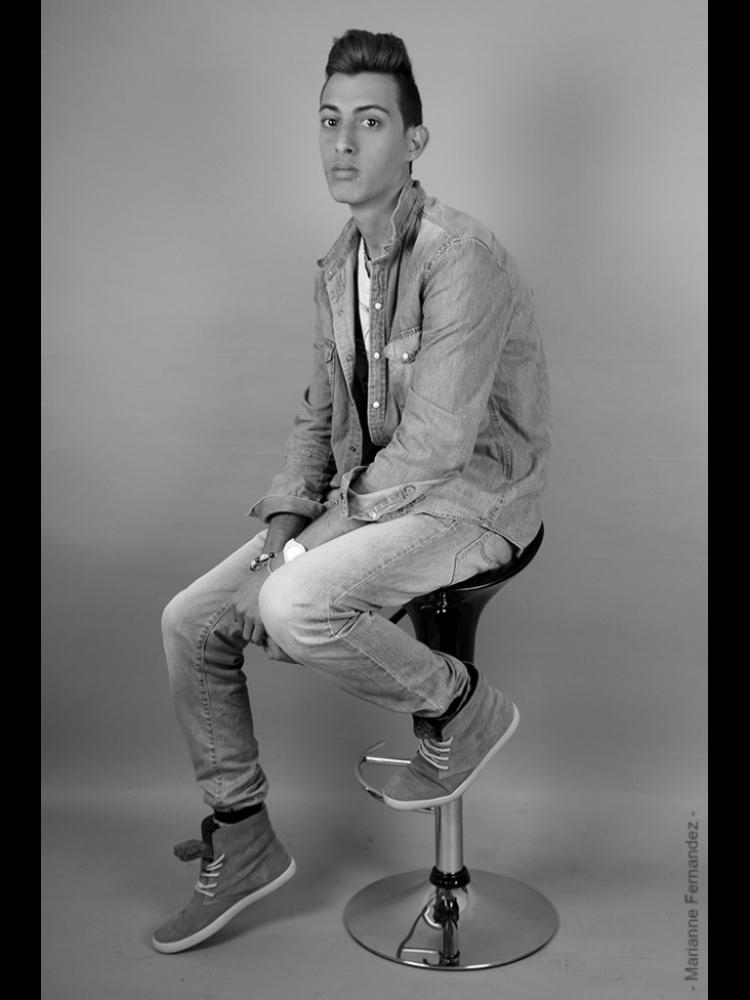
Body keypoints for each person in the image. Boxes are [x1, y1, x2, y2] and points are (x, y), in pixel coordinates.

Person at [152, 28, 550, 955]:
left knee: (291, 602)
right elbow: (316, 421)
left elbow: (434, 451)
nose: (343, 142)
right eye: (330, 121)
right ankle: (243, 837)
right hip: (379, 501)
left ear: (414, 140)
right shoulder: (339, 268)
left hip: (474, 501)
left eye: (370, 122)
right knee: (188, 621)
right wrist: (282, 527)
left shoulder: (463, 257)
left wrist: (293, 560)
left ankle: (460, 704)